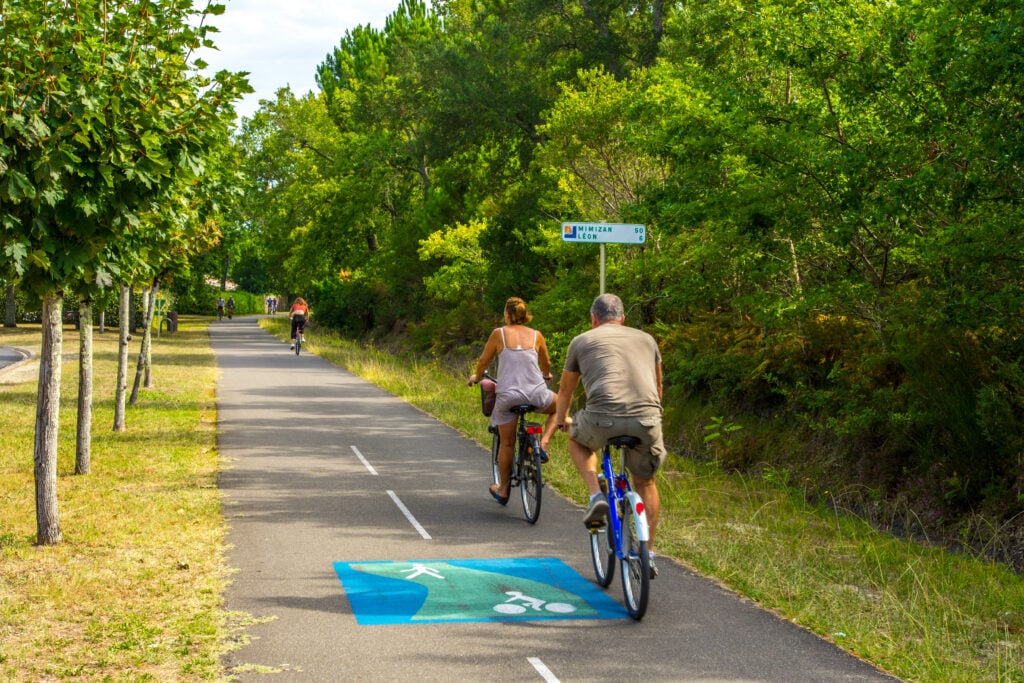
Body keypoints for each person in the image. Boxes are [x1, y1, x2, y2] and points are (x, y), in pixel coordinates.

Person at [552, 293, 665, 576]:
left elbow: (566, 391)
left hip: (602, 419)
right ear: (623, 319)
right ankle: (648, 553)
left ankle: (595, 496)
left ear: (593, 319)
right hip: (647, 419)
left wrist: (562, 420)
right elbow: (659, 388)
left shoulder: (581, 341)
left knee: (577, 438)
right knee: (646, 482)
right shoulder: (647, 339)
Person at [468, 297, 557, 505]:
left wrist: (477, 376)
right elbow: (546, 362)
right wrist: (546, 374)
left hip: (509, 397)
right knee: (560, 405)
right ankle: (543, 444)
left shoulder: (499, 334)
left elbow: (483, 361)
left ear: (507, 314)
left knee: (507, 443)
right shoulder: (537, 335)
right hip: (536, 393)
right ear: (525, 315)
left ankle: (503, 489)